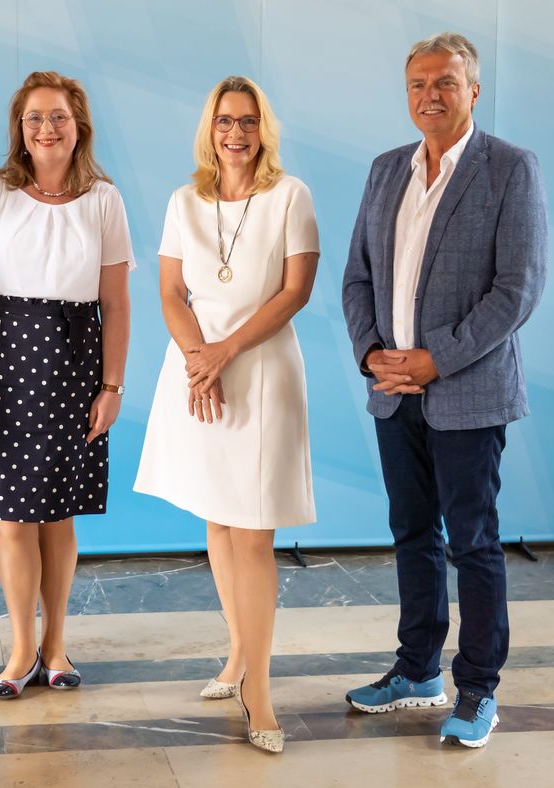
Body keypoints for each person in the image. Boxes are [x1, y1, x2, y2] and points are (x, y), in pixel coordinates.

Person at [342, 33, 547, 748]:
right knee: (411, 535)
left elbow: (516, 291)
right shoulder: (384, 170)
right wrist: (373, 354)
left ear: (474, 91)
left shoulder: (510, 170)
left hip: (467, 393)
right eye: (417, 82)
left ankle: (478, 690)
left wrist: (436, 360)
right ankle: (417, 670)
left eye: (446, 82)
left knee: (474, 542)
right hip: (393, 393)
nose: (430, 93)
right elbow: (357, 278)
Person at [134, 76, 319, 753]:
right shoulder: (185, 200)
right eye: (223, 122)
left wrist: (223, 353)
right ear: (209, 131)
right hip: (196, 376)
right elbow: (168, 290)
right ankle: (239, 654)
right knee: (217, 515)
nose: (234, 133)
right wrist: (196, 358)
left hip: (261, 373)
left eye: (245, 121)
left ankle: (259, 692)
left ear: (262, 128)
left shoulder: (290, 195)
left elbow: (295, 290)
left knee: (254, 533)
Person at [0, 71, 133, 698]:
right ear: (20, 132)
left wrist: (113, 387)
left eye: (57, 116)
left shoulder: (105, 198)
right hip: (5, 363)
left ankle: (56, 645)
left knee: (59, 518)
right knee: (11, 519)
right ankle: (21, 651)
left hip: (76, 365)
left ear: (78, 124)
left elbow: (117, 301)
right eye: (34, 119)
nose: (46, 128)